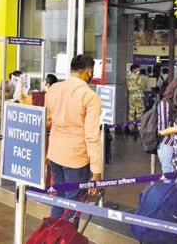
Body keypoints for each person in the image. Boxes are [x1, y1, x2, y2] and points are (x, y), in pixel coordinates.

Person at [45, 55, 102, 227]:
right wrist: (97, 171)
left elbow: (48, 121)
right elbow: (92, 136)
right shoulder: (90, 97)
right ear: (89, 71)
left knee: (59, 198)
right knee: (72, 203)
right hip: (76, 159)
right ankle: (67, 238)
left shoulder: (53, 89)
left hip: (55, 154)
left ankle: (52, 236)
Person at [0, 70, 22, 174]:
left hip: (6, 119)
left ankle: (1, 166)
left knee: (5, 143)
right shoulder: (3, 84)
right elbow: (3, 95)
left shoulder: (18, 89)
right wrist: (15, 88)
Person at [127, 64, 146, 133]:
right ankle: (139, 127)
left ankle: (130, 127)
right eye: (137, 69)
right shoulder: (139, 77)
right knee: (139, 113)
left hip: (131, 96)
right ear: (133, 70)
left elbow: (129, 88)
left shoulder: (128, 77)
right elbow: (142, 87)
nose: (138, 70)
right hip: (138, 96)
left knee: (131, 112)